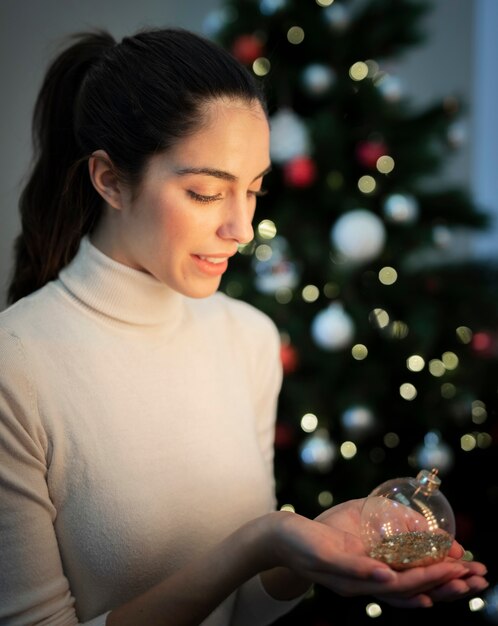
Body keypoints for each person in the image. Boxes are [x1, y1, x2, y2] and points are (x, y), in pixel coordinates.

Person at [0, 26, 488, 626]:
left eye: (254, 189)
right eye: (206, 193)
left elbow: (246, 613)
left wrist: (301, 552)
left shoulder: (248, 338)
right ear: (109, 180)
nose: (242, 227)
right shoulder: (17, 366)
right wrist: (255, 544)